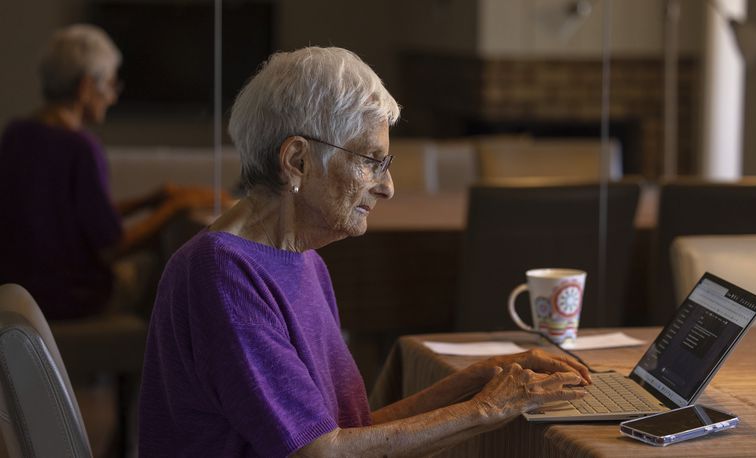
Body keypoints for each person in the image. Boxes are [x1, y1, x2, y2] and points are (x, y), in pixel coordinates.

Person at [138, 46, 591, 457]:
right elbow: (320, 452)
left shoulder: (304, 260)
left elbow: (347, 432)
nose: (388, 187)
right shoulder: (222, 274)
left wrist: (479, 379)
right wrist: (487, 409)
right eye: (371, 161)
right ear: (297, 161)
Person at [0, 24, 219, 320]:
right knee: (162, 264)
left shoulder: (16, 134)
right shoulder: (80, 147)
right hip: (69, 300)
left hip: (18, 294)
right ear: (87, 87)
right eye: (111, 84)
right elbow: (111, 248)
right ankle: (145, 360)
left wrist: (149, 200)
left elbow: (73, 217)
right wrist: (173, 208)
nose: (113, 97)